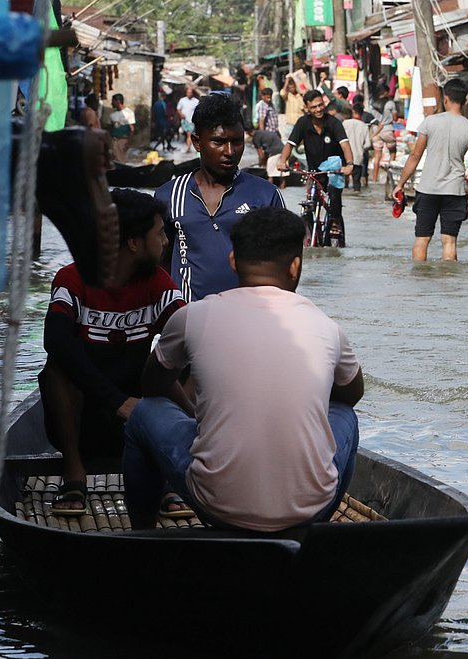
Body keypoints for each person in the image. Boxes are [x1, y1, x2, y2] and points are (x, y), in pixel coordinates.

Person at [122, 206, 363, 532]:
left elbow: (152, 385)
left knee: (143, 412)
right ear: (295, 266)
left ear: (233, 261)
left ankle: (142, 535)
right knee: (345, 415)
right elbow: (351, 394)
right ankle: (312, 529)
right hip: (309, 509)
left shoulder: (193, 315)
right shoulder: (327, 326)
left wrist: (197, 415)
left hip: (217, 506)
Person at [40, 188, 188, 518]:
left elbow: (189, 336)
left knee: (185, 362)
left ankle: (169, 470)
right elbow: (55, 340)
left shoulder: (158, 283)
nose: (165, 242)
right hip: (82, 420)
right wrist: (116, 401)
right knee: (58, 367)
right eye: (159, 233)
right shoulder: (73, 278)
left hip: (139, 420)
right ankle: (74, 471)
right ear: (134, 242)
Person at [155, 92, 286, 302]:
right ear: (197, 142)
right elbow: (159, 265)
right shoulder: (169, 195)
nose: (230, 151)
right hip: (188, 315)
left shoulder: (265, 195)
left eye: (237, 142)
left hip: (247, 314)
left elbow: (282, 266)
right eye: (219, 142)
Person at [394, 78, 468, 262]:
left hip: (427, 189)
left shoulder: (430, 122)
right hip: (455, 191)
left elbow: (415, 155)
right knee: (449, 242)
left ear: (445, 99)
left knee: (422, 240)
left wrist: (400, 184)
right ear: (466, 100)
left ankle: (419, 279)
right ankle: (448, 280)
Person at [279, 89, 353, 247]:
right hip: (313, 172)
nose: (318, 109)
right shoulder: (303, 123)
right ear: (307, 108)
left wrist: (349, 164)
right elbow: (290, 144)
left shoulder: (333, 123)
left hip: (334, 171)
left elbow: (345, 145)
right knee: (310, 199)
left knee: (334, 195)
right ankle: (309, 228)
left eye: (320, 105)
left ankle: (335, 222)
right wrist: (282, 161)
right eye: (314, 107)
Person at [248, 124, 287, 191]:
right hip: (284, 150)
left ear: (248, 133)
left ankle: (268, 190)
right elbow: (266, 152)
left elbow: (261, 155)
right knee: (281, 172)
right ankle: (283, 189)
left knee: (270, 174)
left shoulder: (255, 138)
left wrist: (260, 164)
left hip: (274, 151)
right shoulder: (262, 132)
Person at [342, 104, 372, 192]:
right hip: (358, 157)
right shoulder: (364, 126)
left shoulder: (345, 123)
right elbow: (368, 144)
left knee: (344, 184)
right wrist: (361, 149)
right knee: (357, 184)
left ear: (353, 112)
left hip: (345, 156)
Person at [370, 107, 397, 184]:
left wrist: (372, 135)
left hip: (376, 131)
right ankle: (390, 176)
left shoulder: (372, 110)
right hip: (387, 131)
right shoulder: (388, 109)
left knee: (377, 156)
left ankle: (375, 179)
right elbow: (394, 118)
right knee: (392, 152)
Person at [108, 93, 135, 162]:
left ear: (118, 101)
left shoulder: (129, 113)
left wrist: (128, 143)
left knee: (121, 160)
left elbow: (132, 129)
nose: (111, 103)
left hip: (122, 141)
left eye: (113, 101)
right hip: (113, 140)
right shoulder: (112, 115)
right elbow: (109, 128)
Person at [176, 84, 200, 154]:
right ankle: (189, 147)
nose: (189, 94)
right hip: (185, 121)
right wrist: (181, 114)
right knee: (188, 135)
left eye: (190, 93)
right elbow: (178, 109)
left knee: (189, 135)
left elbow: (198, 110)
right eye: (188, 92)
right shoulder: (182, 100)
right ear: (186, 93)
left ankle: (189, 148)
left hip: (192, 121)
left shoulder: (196, 101)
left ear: (192, 93)